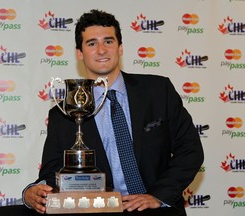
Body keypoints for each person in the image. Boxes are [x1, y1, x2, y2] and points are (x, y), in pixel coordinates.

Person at [22, 9, 204, 215]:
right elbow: (51, 171)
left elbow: (190, 151)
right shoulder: (64, 113)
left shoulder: (158, 91)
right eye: (92, 43)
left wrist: (158, 196)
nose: (101, 50)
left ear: (120, 48)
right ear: (79, 53)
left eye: (108, 41)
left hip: (158, 209)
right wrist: (31, 192)